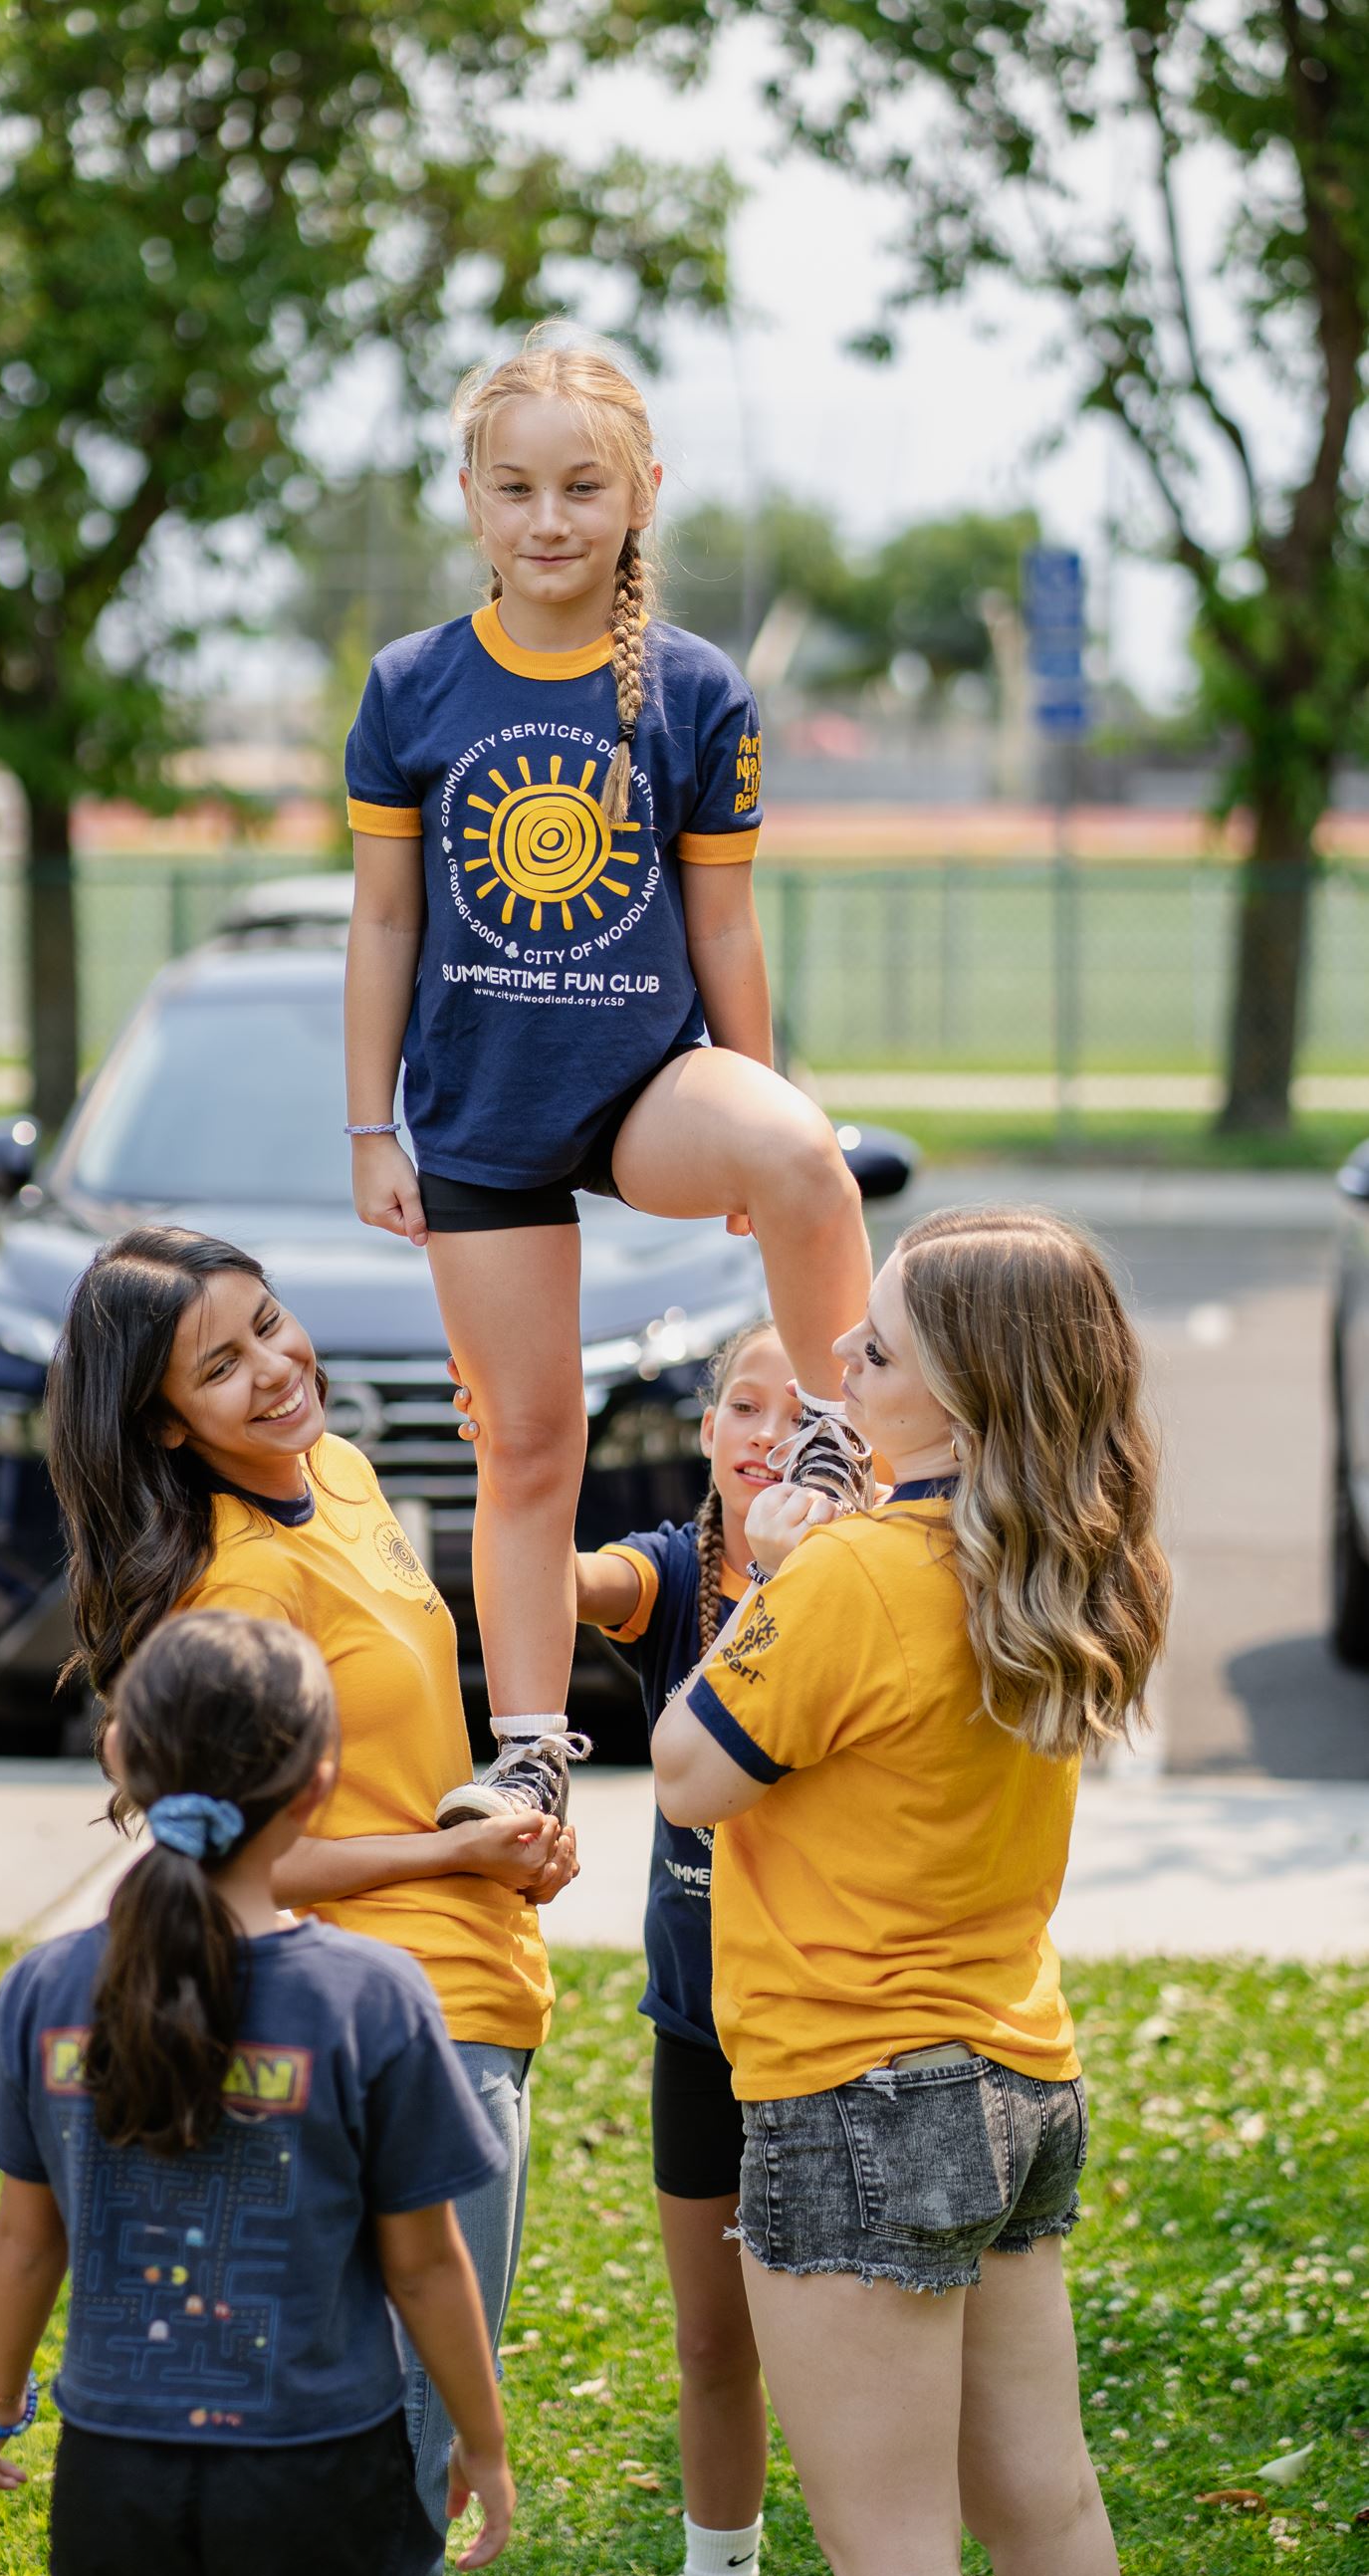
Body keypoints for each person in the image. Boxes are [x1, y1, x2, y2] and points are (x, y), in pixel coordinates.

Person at [342, 330, 874, 1832]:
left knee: (806, 1153)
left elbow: (723, 926)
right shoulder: (411, 686)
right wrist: (371, 1125)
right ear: (470, 498)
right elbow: (383, 923)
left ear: (643, 491)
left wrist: (755, 1114)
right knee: (528, 1446)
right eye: (514, 487)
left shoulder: (696, 691)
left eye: (582, 486)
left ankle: (840, 1445)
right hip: (481, 1118)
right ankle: (525, 1752)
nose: (548, 518)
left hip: (645, 1090)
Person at [653, 1207, 1172, 2576]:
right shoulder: (1074, 1556)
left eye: (874, 1350)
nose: (839, 1352)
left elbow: (687, 1773)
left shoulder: (852, 1572)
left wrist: (768, 1579)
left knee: (884, 2545)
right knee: (1043, 2508)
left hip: (851, 2088)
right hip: (1016, 2071)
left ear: (961, 1395)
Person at [45, 1226, 571, 2576]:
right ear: (166, 1424)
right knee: (399, 2460)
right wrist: (455, 1861)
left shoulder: (336, 1470)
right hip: (385, 2020)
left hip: (476, 1979)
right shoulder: (232, 1583)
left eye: (269, 1323)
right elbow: (230, 1856)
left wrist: (492, 1829)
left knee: (396, 2442)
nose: (276, 1369)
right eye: (220, 1367)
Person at [0, 1606, 515, 2576]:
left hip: (112, 2474)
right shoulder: (371, 1997)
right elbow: (424, 2264)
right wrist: (482, 2440)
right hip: (321, 2469)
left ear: (121, 1757)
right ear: (319, 1782)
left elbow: (26, 2240)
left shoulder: (43, 1989)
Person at [454, 1319, 793, 2576]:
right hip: (698, 2028)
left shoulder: (862, 1577)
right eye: (742, 1406)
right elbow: (556, 1579)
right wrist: (509, 1461)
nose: (765, 1434)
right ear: (704, 1430)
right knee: (711, 2343)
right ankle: (720, 2569)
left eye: (797, 1412)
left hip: (830, 2034)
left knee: (846, 2341)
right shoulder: (678, 1571)